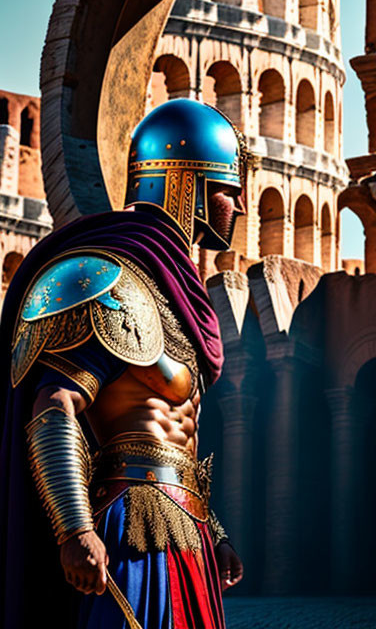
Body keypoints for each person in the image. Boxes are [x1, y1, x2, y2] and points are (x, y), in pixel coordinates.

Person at [1, 98, 246, 628]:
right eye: (228, 190)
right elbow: (57, 404)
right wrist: (73, 528)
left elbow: (174, 447)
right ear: (187, 185)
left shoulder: (177, 296)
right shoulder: (112, 280)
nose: (240, 207)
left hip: (188, 534)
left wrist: (216, 532)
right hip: (131, 534)